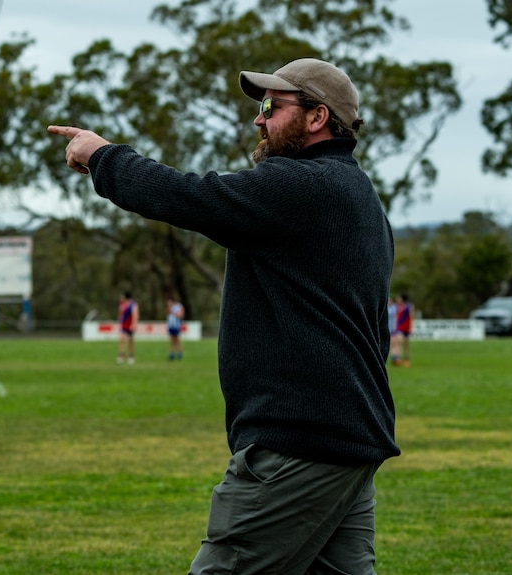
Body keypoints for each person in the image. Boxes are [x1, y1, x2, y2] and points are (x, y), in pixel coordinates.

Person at [49, 57, 399, 574]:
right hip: (347, 442)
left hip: (298, 444)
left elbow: (192, 197)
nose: (259, 118)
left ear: (317, 117)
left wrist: (104, 157)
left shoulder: (303, 185)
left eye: (271, 107)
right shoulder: (359, 195)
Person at [117, 291, 139, 364]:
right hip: (124, 324)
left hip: (130, 324)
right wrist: (120, 321)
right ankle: (122, 356)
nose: (121, 298)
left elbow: (135, 314)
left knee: (131, 340)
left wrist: (134, 324)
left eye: (122, 296)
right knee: (122, 339)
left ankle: (131, 356)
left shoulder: (133, 304)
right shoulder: (122, 304)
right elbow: (121, 314)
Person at [393, 293, 413, 367]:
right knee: (399, 341)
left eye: (399, 298)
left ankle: (406, 359)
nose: (397, 299)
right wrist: (395, 325)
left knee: (406, 344)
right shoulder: (397, 306)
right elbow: (396, 317)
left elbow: (411, 317)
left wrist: (411, 328)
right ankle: (397, 358)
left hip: (406, 328)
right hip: (400, 327)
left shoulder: (409, 306)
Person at [166, 296, 185, 361]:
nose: (168, 304)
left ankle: (180, 353)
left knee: (177, 339)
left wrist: (173, 312)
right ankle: (172, 353)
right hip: (171, 325)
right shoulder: (169, 308)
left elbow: (180, 315)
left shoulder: (178, 306)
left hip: (176, 325)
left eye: (169, 302)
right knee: (172, 340)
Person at [388, 295, 400, 364]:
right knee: (391, 343)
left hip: (394, 328)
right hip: (388, 328)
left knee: (395, 343)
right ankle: (394, 357)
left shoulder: (394, 308)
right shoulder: (386, 308)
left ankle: (395, 357)